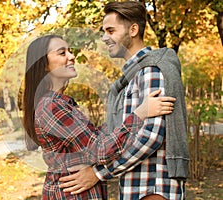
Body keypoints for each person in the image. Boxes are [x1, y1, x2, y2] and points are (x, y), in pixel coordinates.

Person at [59, 1, 190, 200]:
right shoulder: (131, 77)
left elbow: (150, 137)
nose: (104, 38)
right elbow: (123, 132)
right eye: (104, 31)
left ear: (133, 30)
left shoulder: (151, 71)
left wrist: (98, 174)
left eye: (111, 31)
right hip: (137, 185)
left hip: (152, 186)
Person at [21, 34, 177, 199]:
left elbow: (94, 139)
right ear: (44, 64)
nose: (72, 57)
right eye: (62, 53)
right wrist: (140, 113)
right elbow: (100, 150)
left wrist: (127, 109)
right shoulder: (52, 107)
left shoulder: (61, 103)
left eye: (70, 51)